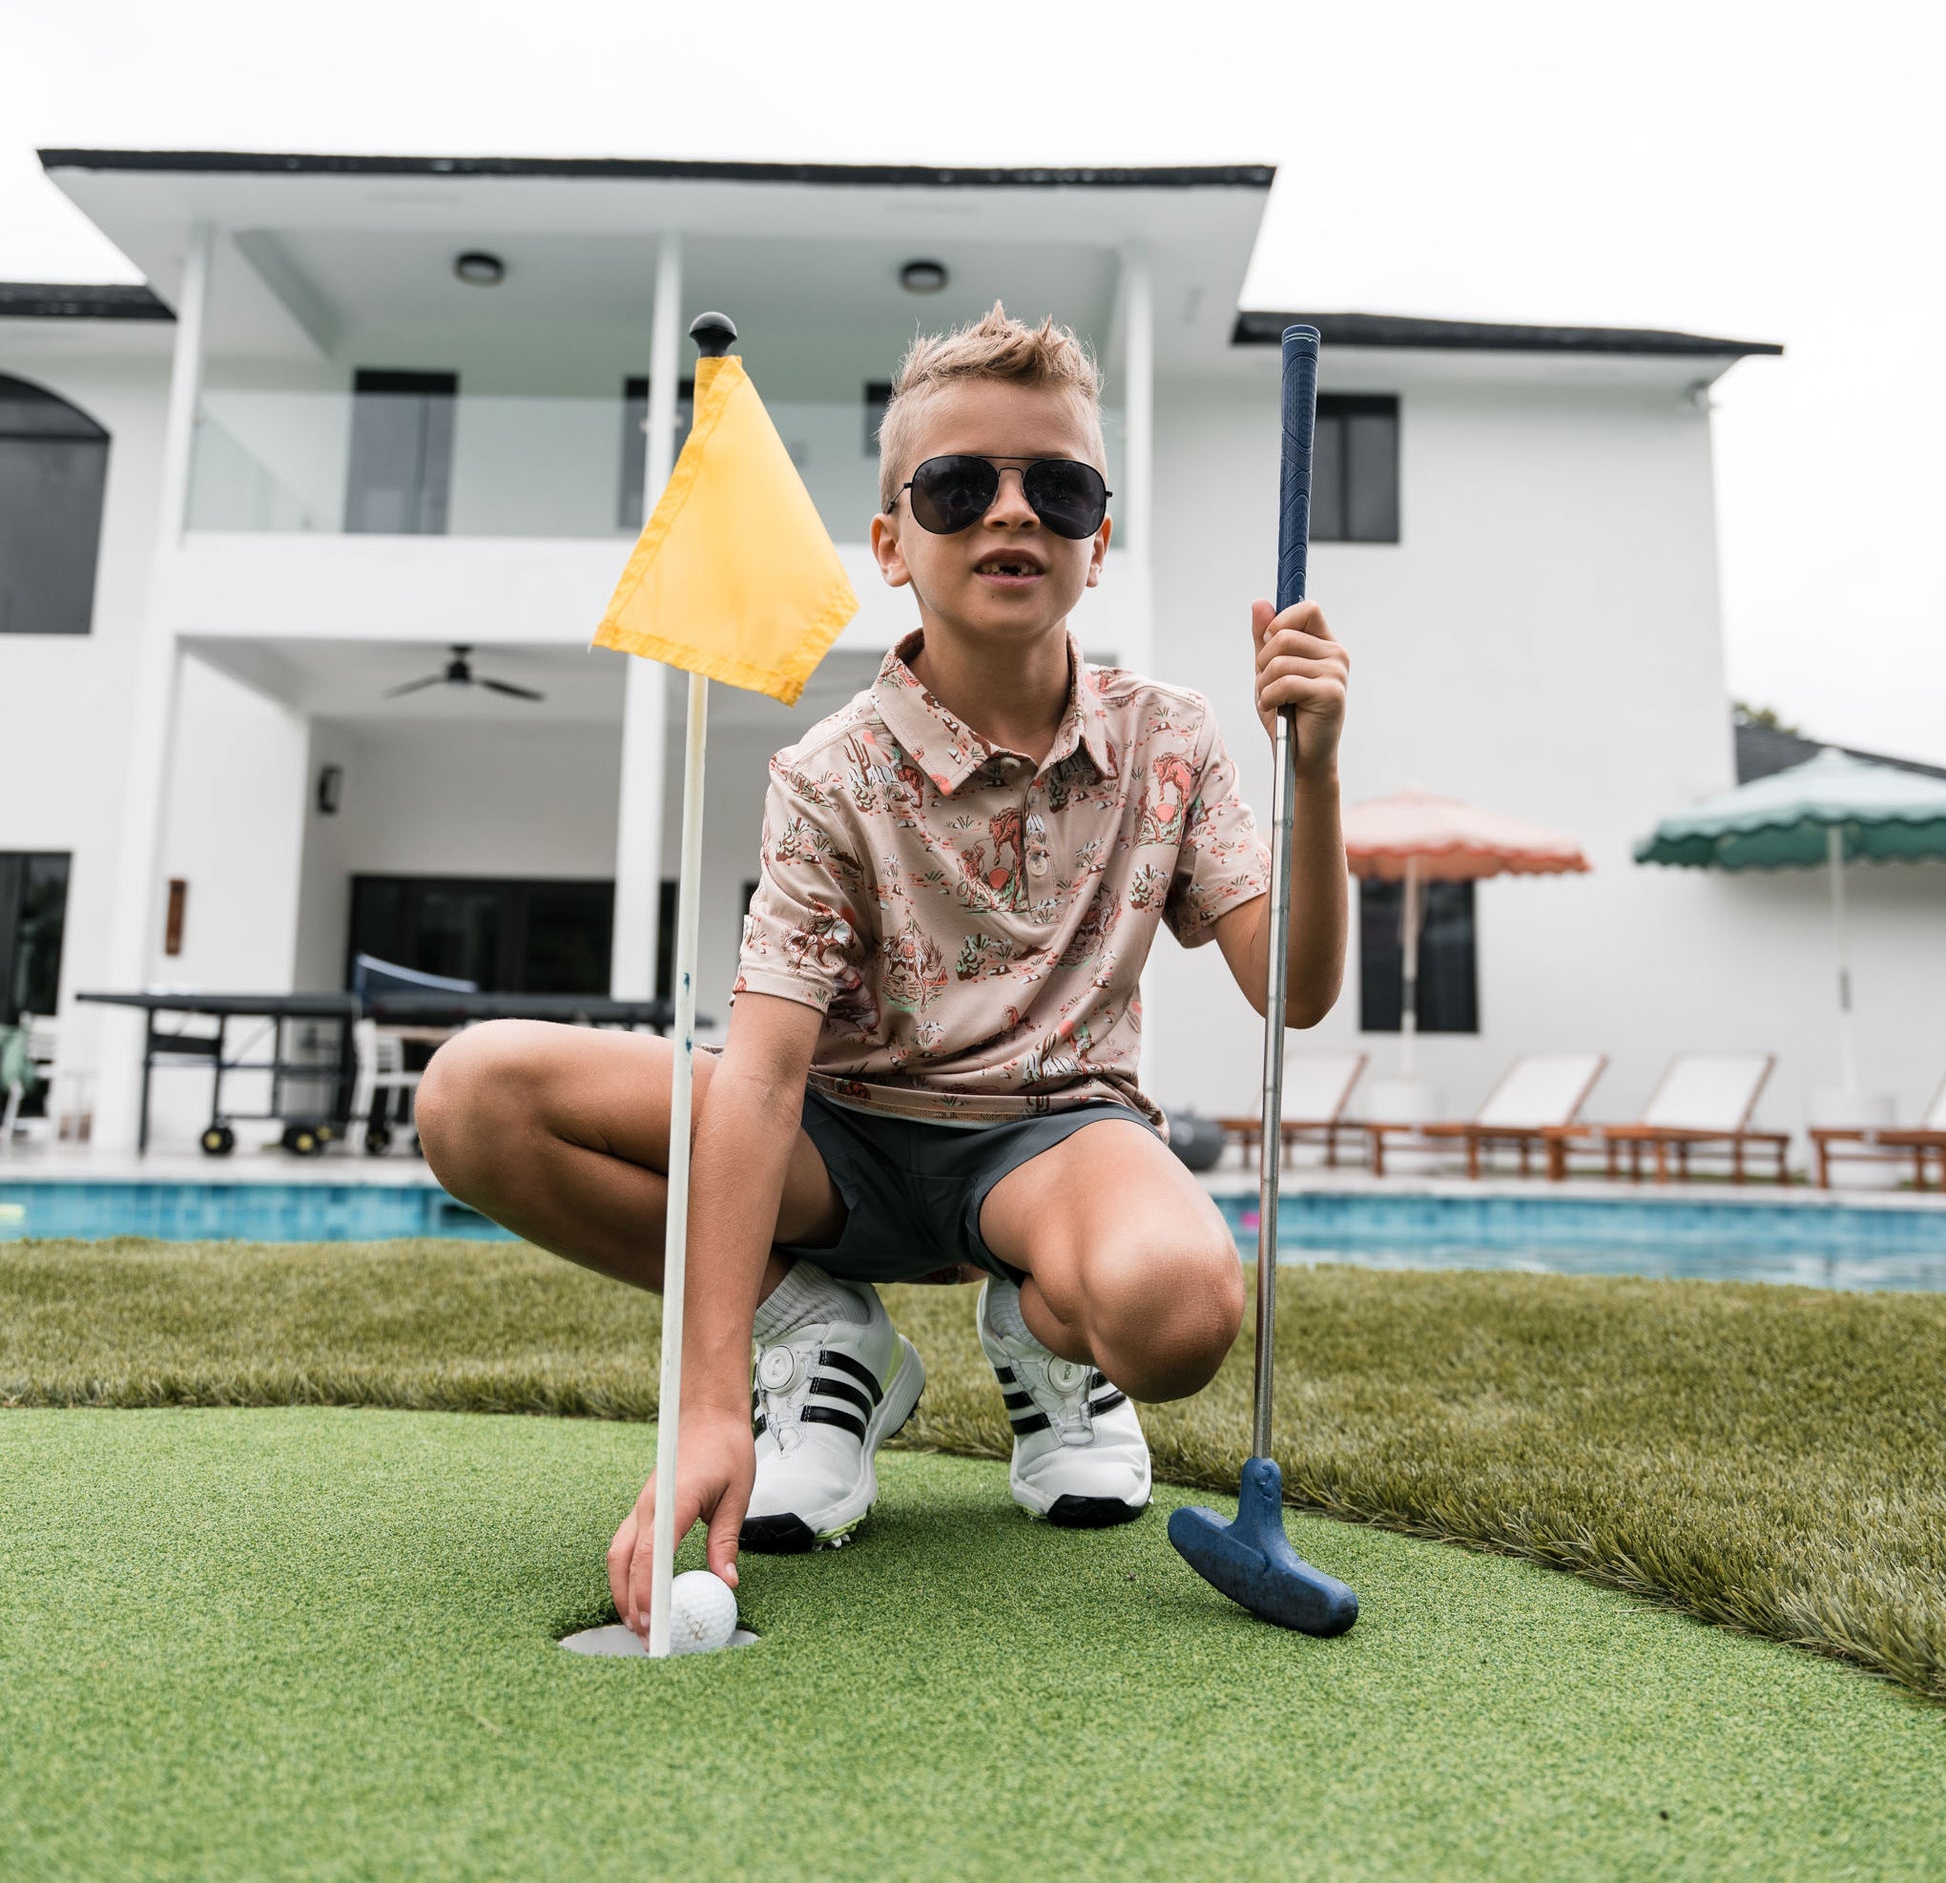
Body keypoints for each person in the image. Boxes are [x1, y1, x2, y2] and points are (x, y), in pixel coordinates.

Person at [416, 305, 1350, 1643]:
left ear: (1098, 537)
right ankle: (817, 1331)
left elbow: (1294, 992)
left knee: (1181, 1311)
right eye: (958, 486)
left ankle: (1040, 1336)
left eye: (1059, 488)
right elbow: (760, 1080)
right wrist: (708, 1403)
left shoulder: (1176, 737)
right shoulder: (828, 774)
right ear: (891, 541)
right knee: (474, 1095)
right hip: (835, 1143)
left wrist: (1315, 769)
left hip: (1054, 1143)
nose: (1011, 511)